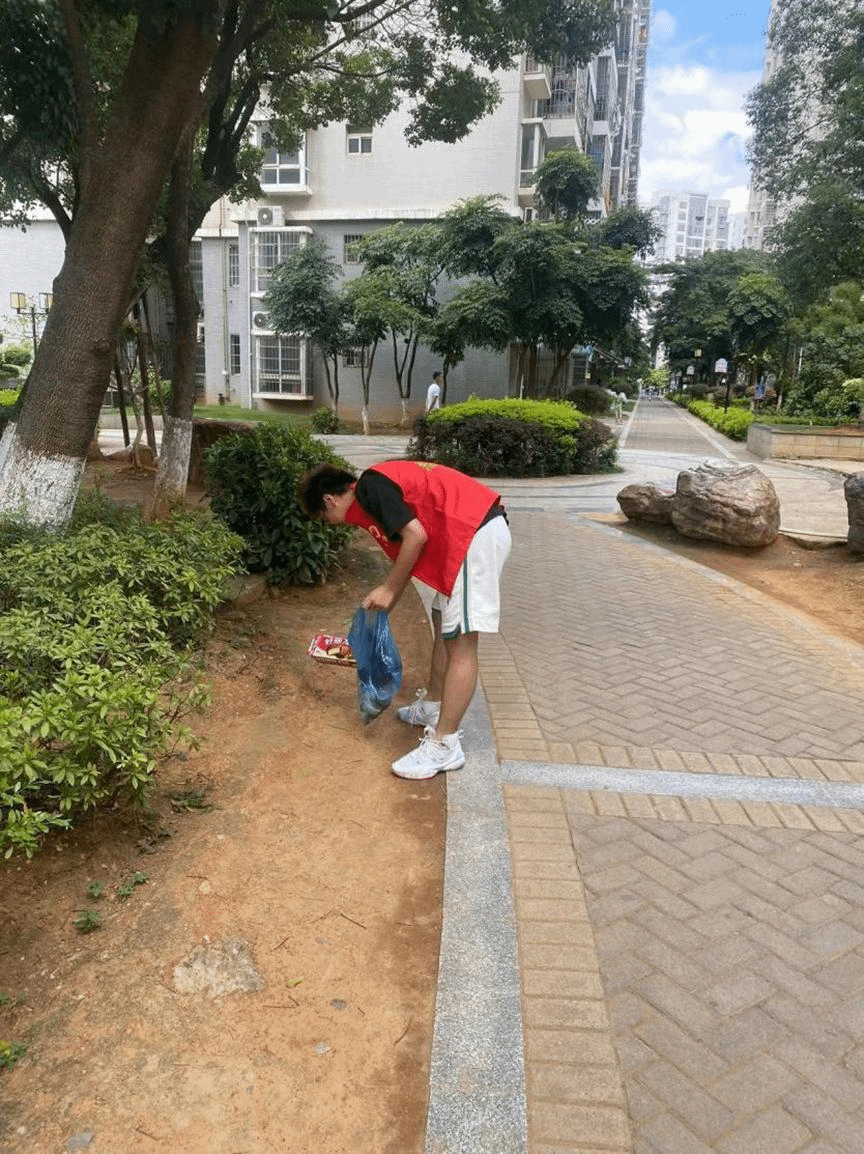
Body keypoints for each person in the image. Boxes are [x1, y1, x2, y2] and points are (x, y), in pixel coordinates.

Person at [298, 459, 511, 780]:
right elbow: (409, 553)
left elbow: (416, 536)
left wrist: (388, 588)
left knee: (461, 642)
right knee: (442, 622)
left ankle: (445, 744)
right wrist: (380, 613)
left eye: (323, 518)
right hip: (468, 534)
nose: (330, 524)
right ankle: (433, 706)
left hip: (473, 534)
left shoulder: (369, 487)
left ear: (329, 500)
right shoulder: (372, 495)